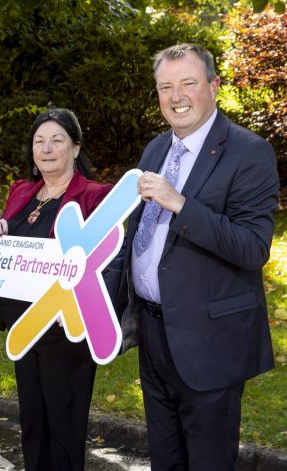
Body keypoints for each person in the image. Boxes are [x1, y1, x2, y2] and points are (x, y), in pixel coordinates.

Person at [123, 43, 279, 469]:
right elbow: (138, 237)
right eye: (165, 87)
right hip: (154, 336)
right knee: (165, 459)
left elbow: (252, 248)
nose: (176, 97)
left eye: (188, 83)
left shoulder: (249, 152)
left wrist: (181, 204)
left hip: (210, 343)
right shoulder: (155, 149)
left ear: (213, 86)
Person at [0, 107, 118, 470]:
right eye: (39, 141)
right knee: (32, 423)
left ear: (75, 148)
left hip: (65, 329)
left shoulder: (95, 197)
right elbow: (13, 250)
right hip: (24, 324)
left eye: (57, 140)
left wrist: (77, 306)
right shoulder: (22, 191)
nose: (47, 148)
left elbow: (109, 263)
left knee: (64, 427)